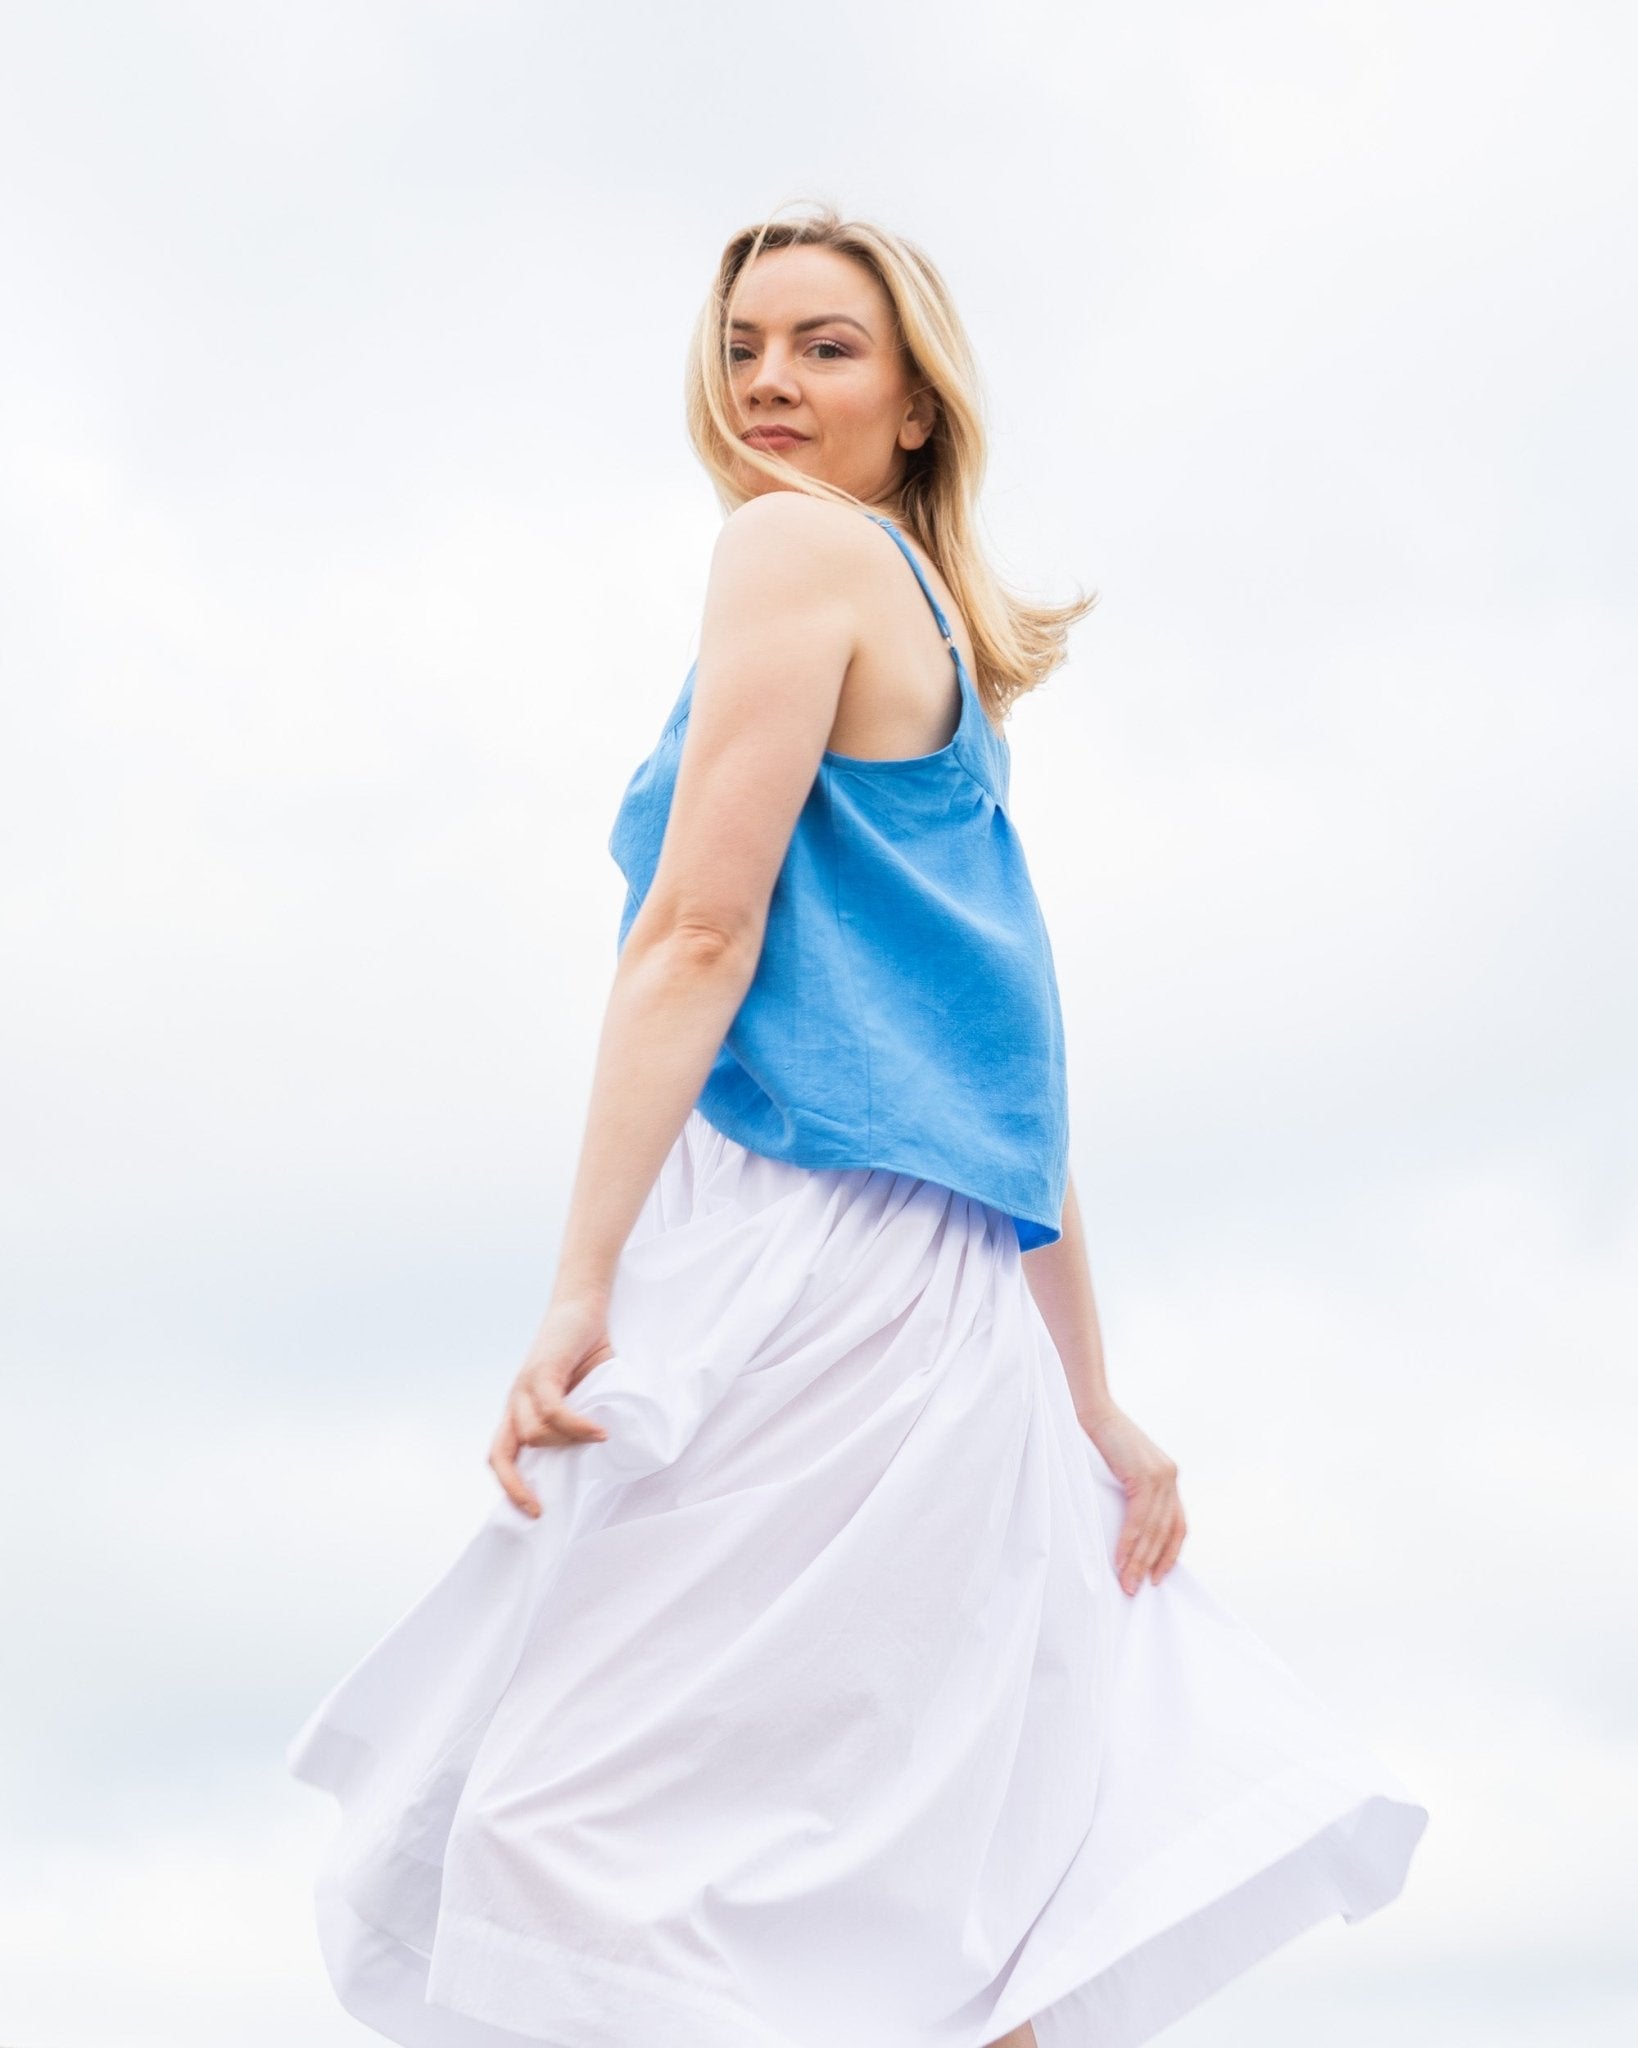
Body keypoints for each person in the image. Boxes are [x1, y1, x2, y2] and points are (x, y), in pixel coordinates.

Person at [287, 203, 1429, 2048]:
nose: (767, 383)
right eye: (744, 343)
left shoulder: (795, 554)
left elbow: (698, 932)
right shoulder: (941, 658)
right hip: (939, 1314)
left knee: (557, 1822)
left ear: (914, 405)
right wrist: (1084, 1396)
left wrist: (579, 1284)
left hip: (809, 1275)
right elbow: (1013, 1059)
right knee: (912, 1898)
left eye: (825, 348)